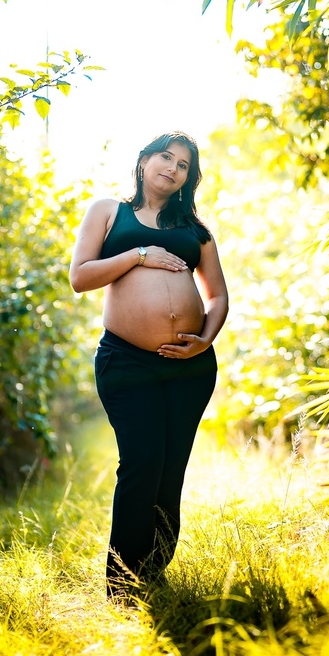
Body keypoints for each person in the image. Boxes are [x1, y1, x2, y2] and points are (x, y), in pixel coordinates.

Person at [68, 130, 229, 600]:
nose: (172, 168)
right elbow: (79, 278)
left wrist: (204, 340)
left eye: (183, 165)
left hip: (190, 368)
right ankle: (121, 587)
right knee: (141, 463)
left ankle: (154, 576)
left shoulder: (195, 231)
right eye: (165, 157)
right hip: (127, 360)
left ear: (187, 179)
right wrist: (138, 254)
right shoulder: (108, 212)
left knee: (170, 470)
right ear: (143, 161)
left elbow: (217, 295)